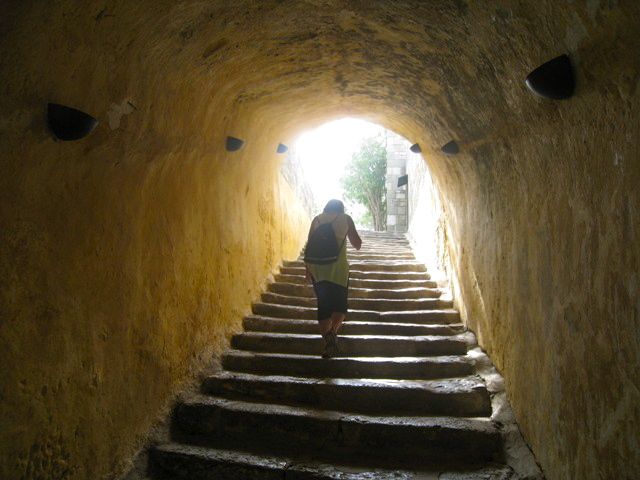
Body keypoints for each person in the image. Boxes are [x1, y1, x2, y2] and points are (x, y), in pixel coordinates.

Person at [304, 199, 362, 358]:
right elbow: (357, 244)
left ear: (326, 207)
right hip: (338, 270)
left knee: (323, 307)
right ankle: (333, 334)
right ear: (341, 208)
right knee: (340, 306)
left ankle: (329, 341)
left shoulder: (316, 219)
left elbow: (309, 246)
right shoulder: (346, 219)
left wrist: (307, 269)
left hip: (318, 270)